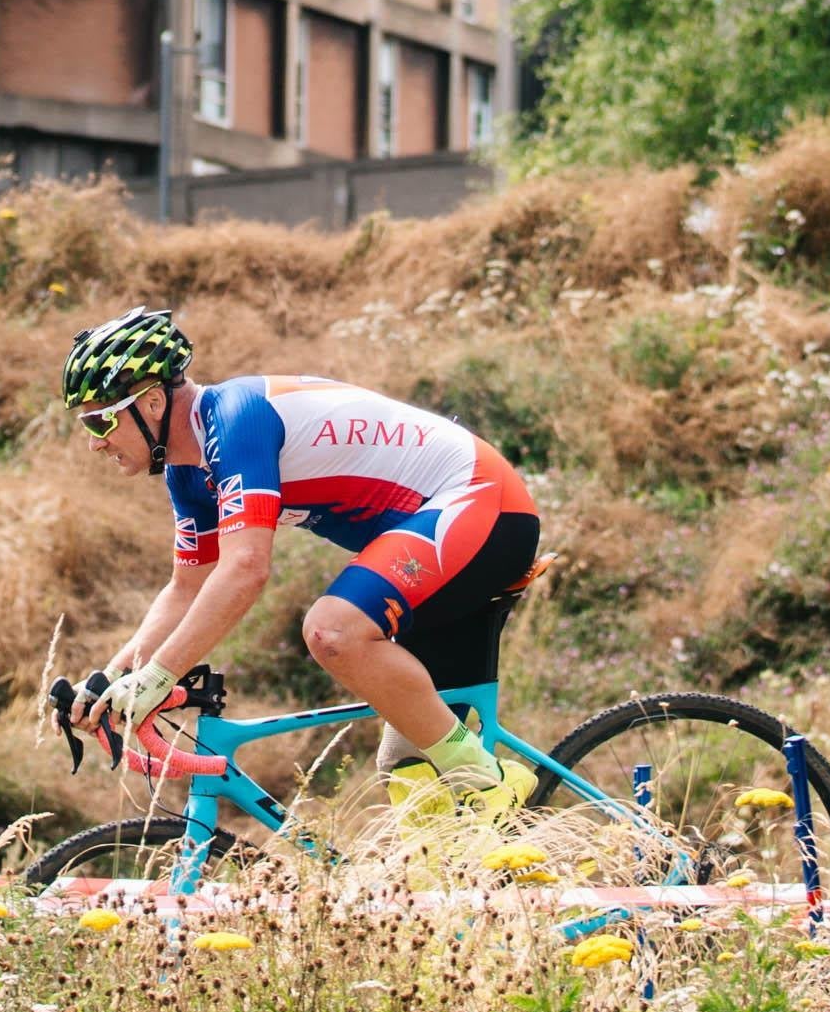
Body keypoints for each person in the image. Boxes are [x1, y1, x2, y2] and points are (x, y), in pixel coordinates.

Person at [60, 305, 539, 815]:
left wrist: (158, 677)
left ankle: (490, 783)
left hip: (480, 501)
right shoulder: (188, 472)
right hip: (436, 529)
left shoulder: (236, 417)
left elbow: (245, 569)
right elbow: (186, 588)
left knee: (334, 632)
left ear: (153, 401)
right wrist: (108, 683)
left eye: (100, 419)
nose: (95, 441)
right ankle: (493, 867)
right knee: (413, 776)